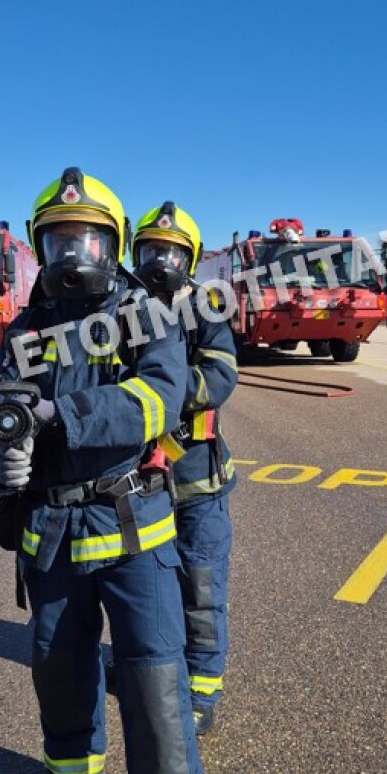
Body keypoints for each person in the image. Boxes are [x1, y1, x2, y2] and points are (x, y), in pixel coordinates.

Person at [0, 167, 204, 774]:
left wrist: (59, 415)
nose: (72, 248)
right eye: (59, 236)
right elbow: (3, 414)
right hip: (50, 529)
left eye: (86, 236)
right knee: (58, 666)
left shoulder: (146, 315)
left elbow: (155, 400)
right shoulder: (24, 329)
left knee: (152, 688)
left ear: (111, 243)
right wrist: (1, 454)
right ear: (42, 244)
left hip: (133, 527)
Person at [129, 201, 238, 737]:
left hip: (197, 480)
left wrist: (163, 391)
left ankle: (202, 688)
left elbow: (220, 377)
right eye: (151, 250)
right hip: (140, 481)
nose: (160, 261)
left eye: (172, 251)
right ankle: (161, 670)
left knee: (200, 583)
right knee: (150, 586)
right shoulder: (122, 310)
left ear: (190, 258)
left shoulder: (207, 309)